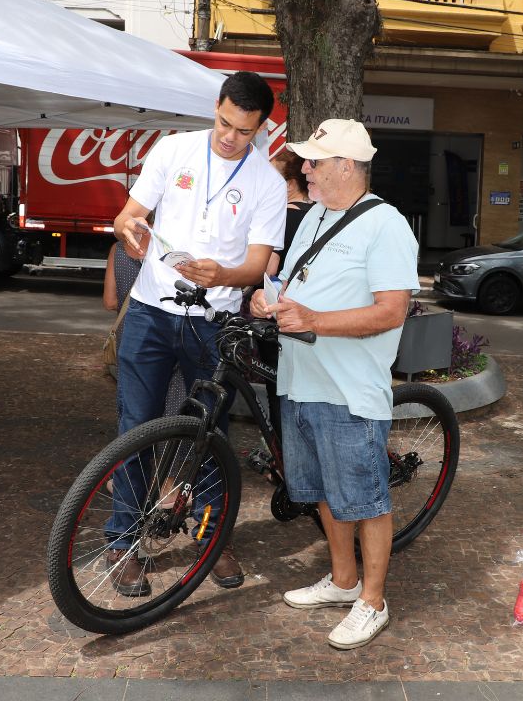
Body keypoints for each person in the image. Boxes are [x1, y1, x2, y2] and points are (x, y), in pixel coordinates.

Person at [107, 72, 287, 595]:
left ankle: (212, 539)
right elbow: (129, 214)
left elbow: (255, 265)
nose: (231, 138)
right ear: (216, 107)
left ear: (260, 129)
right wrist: (129, 230)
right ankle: (124, 543)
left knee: (211, 436)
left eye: (244, 132)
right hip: (150, 311)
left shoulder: (267, 184)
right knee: (135, 426)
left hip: (216, 321)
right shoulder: (172, 151)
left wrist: (224, 275)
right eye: (225, 123)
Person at [251, 118, 420, 650]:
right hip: (301, 381)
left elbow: (392, 312)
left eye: (315, 162)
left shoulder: (387, 226)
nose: (305, 169)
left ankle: (373, 601)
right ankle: (344, 582)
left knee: (364, 499)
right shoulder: (316, 215)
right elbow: (294, 283)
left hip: (349, 390)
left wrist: (314, 321)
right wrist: (268, 300)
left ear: (347, 166)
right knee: (324, 492)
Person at [102, 241, 185, 413]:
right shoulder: (176, 248)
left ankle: (136, 439)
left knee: (135, 403)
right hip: (176, 326)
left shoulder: (118, 249)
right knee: (177, 398)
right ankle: (171, 436)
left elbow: (110, 302)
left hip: (131, 330)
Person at [267, 149, 314, 277]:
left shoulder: (282, 216)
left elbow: (269, 268)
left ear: (289, 185)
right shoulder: (317, 213)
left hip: (273, 291)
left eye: (270, 177)